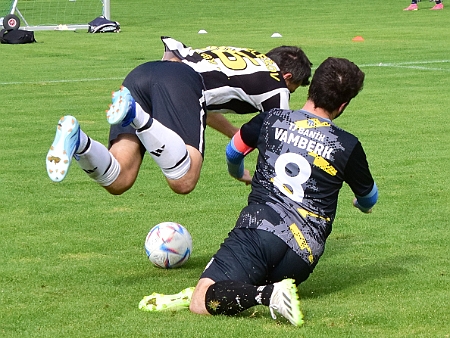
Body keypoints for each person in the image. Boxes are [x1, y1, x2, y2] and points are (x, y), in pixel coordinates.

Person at [138, 57, 379, 326]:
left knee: (202, 300)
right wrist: (362, 205)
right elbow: (369, 196)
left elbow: (234, 149)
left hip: (260, 231)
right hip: (303, 256)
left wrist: (238, 171)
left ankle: (268, 296)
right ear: (343, 105)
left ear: (311, 90)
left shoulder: (271, 119)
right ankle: (268, 288)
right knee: (236, 282)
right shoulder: (347, 144)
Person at [46, 60, 207, 194]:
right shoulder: (231, 80)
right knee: (184, 180)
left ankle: (80, 142)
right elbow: (199, 109)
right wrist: (232, 132)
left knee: (119, 179)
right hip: (179, 78)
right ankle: (136, 113)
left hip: (139, 74)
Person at [161, 36, 312, 138]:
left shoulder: (251, 55)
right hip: (175, 88)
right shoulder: (276, 85)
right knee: (186, 180)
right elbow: (282, 136)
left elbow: (205, 101)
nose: (288, 93)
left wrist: (234, 133)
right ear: (287, 77)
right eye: (292, 89)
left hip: (162, 68)